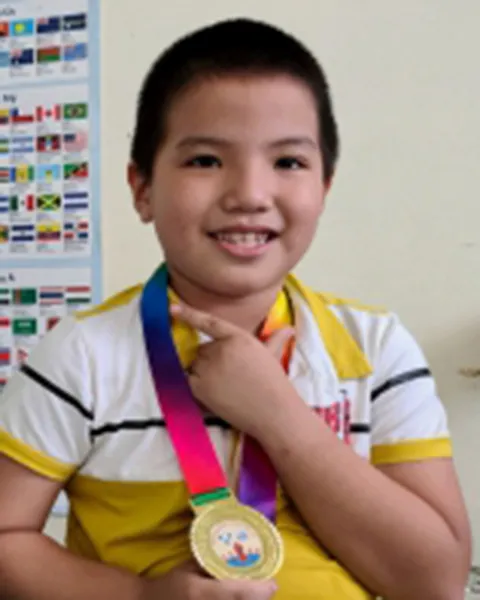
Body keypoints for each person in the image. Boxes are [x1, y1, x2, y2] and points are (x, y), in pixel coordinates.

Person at [0, 17, 471, 600]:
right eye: (205, 160)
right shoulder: (83, 355)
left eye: (288, 162)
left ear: (324, 187)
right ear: (143, 190)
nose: (249, 193)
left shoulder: (375, 348)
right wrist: (143, 597)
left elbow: (435, 581)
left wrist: (278, 415)